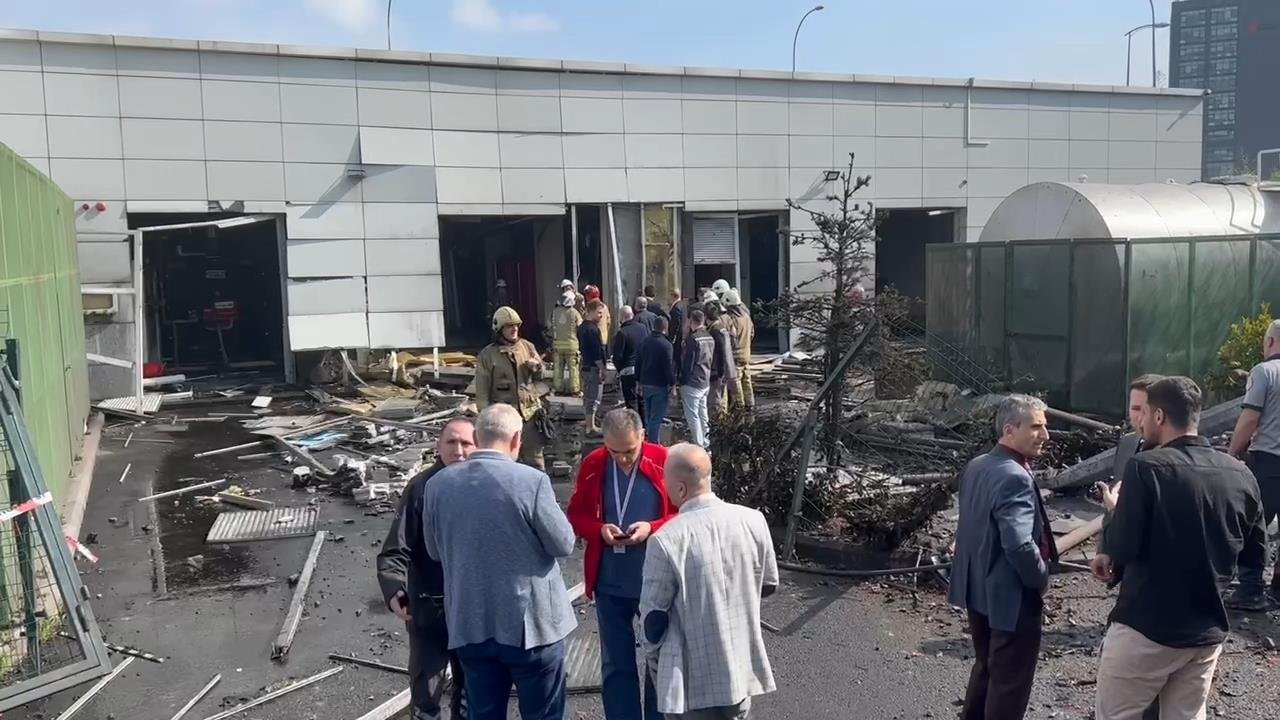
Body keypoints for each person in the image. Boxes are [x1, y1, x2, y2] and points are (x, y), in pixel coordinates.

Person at [1091, 377, 1266, 720]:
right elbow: (1254, 556)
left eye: (1144, 413)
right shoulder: (1241, 475)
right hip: (1205, 633)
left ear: (1159, 416)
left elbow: (1123, 548)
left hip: (1145, 628)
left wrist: (1114, 511)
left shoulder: (1145, 468)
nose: (1139, 421)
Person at [424, 404, 577, 720]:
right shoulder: (531, 481)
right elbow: (563, 544)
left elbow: (434, 550)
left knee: (483, 712)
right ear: (517, 438)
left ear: (478, 438)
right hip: (531, 627)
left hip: (470, 623)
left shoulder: (437, 485)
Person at [639, 443, 778, 719]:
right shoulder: (753, 520)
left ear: (680, 489)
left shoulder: (666, 540)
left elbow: (653, 621)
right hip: (740, 668)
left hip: (690, 679)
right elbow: (768, 585)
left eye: (666, 480)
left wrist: (653, 658)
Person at [949, 394, 1056, 720]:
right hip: (1011, 598)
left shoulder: (978, 465)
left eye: (1045, 426)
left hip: (978, 591)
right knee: (1009, 684)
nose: (1045, 435)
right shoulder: (1015, 476)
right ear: (1009, 430)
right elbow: (1019, 545)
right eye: (1035, 427)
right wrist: (1040, 578)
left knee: (986, 668)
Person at [567, 409, 679, 720]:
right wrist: (598, 530)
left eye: (629, 450)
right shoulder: (595, 463)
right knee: (615, 663)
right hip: (610, 580)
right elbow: (576, 514)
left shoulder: (664, 460)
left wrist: (652, 528)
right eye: (614, 451)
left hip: (655, 581)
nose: (623, 459)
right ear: (604, 442)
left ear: (643, 436)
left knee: (659, 659)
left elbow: (684, 514)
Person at [378, 417, 477, 720]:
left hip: (473, 610)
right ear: (438, 446)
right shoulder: (420, 488)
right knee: (426, 692)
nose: (458, 450)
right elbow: (395, 549)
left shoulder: (485, 487)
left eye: (466, 443)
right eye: (451, 442)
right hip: (429, 609)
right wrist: (395, 591)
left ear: (479, 446)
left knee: (472, 691)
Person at [1226, 319, 1280, 609]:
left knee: (1253, 525)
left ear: (1270, 342)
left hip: (1269, 462)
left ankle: (1250, 589)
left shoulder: (1264, 371)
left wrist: (1231, 453)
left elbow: (1250, 419)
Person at [475, 307, 549, 471]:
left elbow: (541, 378)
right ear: (499, 329)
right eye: (509, 326)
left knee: (535, 462)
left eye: (516, 325)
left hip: (529, 416)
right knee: (503, 463)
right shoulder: (488, 355)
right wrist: (486, 420)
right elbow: (482, 392)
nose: (514, 329)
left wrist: (537, 367)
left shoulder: (527, 347)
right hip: (503, 419)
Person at [636, 316, 676, 444]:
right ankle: (653, 444)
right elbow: (668, 367)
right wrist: (673, 384)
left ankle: (649, 440)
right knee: (657, 417)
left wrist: (638, 381)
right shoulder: (666, 345)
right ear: (665, 328)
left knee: (649, 415)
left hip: (646, 383)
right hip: (659, 384)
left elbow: (638, 362)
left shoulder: (644, 342)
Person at [679, 309, 714, 449]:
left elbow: (688, 363)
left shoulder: (693, 339)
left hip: (693, 381)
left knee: (692, 415)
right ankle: (706, 442)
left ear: (691, 321)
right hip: (705, 379)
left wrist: (682, 380)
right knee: (703, 413)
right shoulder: (709, 337)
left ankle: (699, 445)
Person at [721, 290, 755, 410]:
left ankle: (739, 406)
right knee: (747, 380)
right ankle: (750, 404)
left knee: (736, 381)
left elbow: (731, 338)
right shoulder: (746, 317)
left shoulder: (732, 319)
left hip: (736, 356)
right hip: (746, 353)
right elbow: (752, 334)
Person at [704, 301, 738, 419]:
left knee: (714, 402)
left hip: (717, 371)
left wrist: (719, 373)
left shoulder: (715, 331)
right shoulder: (722, 328)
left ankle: (716, 425)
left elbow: (720, 353)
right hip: (725, 370)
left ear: (706, 317)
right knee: (719, 400)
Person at [613, 305, 649, 416]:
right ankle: (644, 425)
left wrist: (620, 370)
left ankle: (634, 424)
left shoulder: (622, 333)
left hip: (628, 370)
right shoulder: (643, 328)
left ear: (621, 317)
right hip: (642, 369)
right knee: (642, 400)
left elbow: (617, 356)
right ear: (632, 315)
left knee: (631, 402)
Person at [580, 301, 607, 435]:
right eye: (599, 312)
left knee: (588, 396)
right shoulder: (592, 329)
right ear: (591, 311)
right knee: (594, 397)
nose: (601, 316)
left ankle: (589, 422)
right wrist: (602, 369)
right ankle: (591, 427)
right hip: (592, 367)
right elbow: (596, 352)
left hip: (585, 366)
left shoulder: (582, 327)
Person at [550, 292, 582, 396]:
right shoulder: (574, 312)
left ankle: (558, 389)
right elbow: (580, 326)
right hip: (571, 345)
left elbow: (550, 324)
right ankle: (574, 390)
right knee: (573, 369)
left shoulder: (555, 311)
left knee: (558, 369)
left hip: (557, 345)